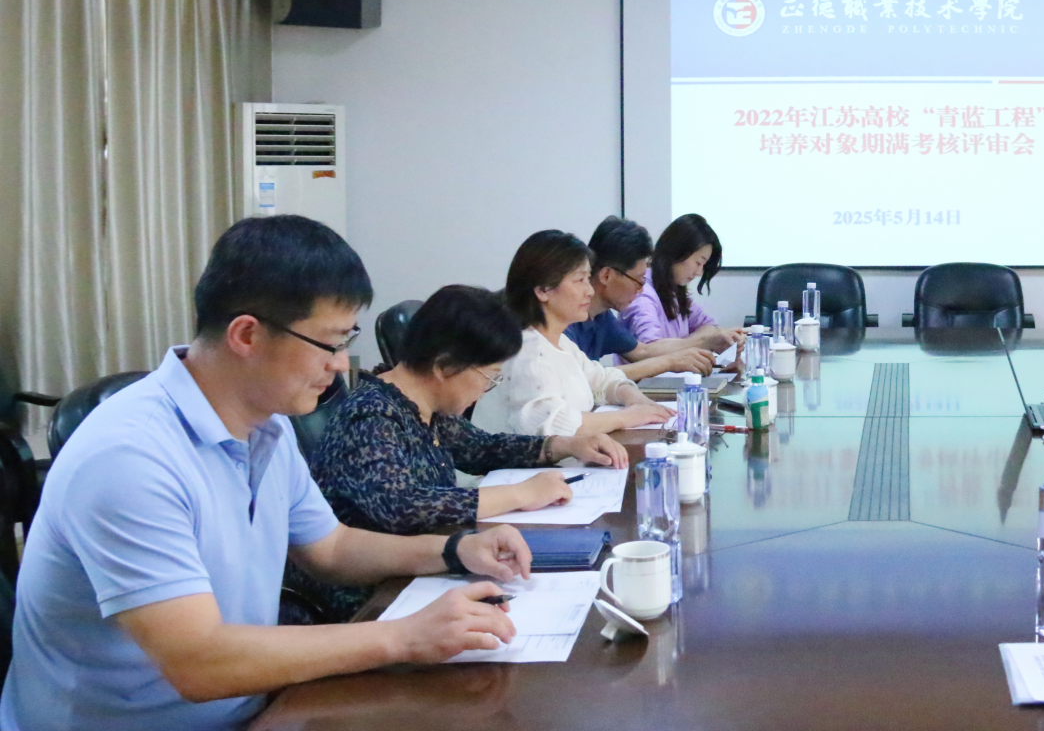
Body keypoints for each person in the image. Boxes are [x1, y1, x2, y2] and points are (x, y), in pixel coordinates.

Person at [2, 216, 530, 731]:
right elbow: (197, 662)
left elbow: (332, 549)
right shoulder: (130, 457)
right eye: (330, 344)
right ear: (247, 335)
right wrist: (402, 637)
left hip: (252, 706)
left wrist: (455, 550)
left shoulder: (266, 427)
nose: (339, 365)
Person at [291, 284, 629, 623]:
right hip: (368, 601)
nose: (486, 390)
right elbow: (403, 507)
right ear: (445, 367)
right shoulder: (371, 415)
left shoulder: (425, 407)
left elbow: (481, 447)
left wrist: (563, 445)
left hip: (418, 572)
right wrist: (521, 493)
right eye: (488, 377)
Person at [472, 229, 673, 439]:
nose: (590, 291)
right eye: (580, 280)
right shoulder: (528, 353)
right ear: (543, 290)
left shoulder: (560, 342)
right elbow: (554, 425)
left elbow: (602, 379)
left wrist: (633, 398)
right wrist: (626, 417)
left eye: (588, 279)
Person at [567, 216, 718, 380]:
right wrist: (669, 362)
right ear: (606, 276)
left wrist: (702, 345)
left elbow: (642, 351)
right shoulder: (564, 318)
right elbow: (583, 378)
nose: (640, 290)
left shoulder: (602, 317)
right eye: (638, 281)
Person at [622, 213, 742, 350]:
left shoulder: (673, 291)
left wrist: (694, 342)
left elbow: (709, 325)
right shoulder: (642, 294)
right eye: (698, 263)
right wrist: (701, 343)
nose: (699, 272)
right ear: (678, 251)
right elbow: (649, 348)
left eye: (703, 266)